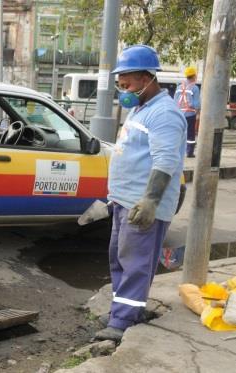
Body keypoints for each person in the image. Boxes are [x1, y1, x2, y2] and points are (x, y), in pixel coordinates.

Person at [95, 45, 186, 342]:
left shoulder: (165, 114)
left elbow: (166, 162)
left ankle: (122, 322)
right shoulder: (140, 108)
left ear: (148, 77)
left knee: (135, 263)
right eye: (121, 85)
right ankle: (124, 311)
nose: (124, 90)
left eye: (128, 83)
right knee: (120, 259)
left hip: (143, 205)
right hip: (124, 202)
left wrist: (150, 201)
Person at [174, 66, 201, 157]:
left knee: (179, 132)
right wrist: (198, 113)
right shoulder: (195, 88)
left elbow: (175, 101)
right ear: (193, 76)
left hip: (178, 114)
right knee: (190, 134)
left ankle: (177, 151)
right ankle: (189, 152)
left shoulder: (179, 86)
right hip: (190, 114)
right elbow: (196, 103)